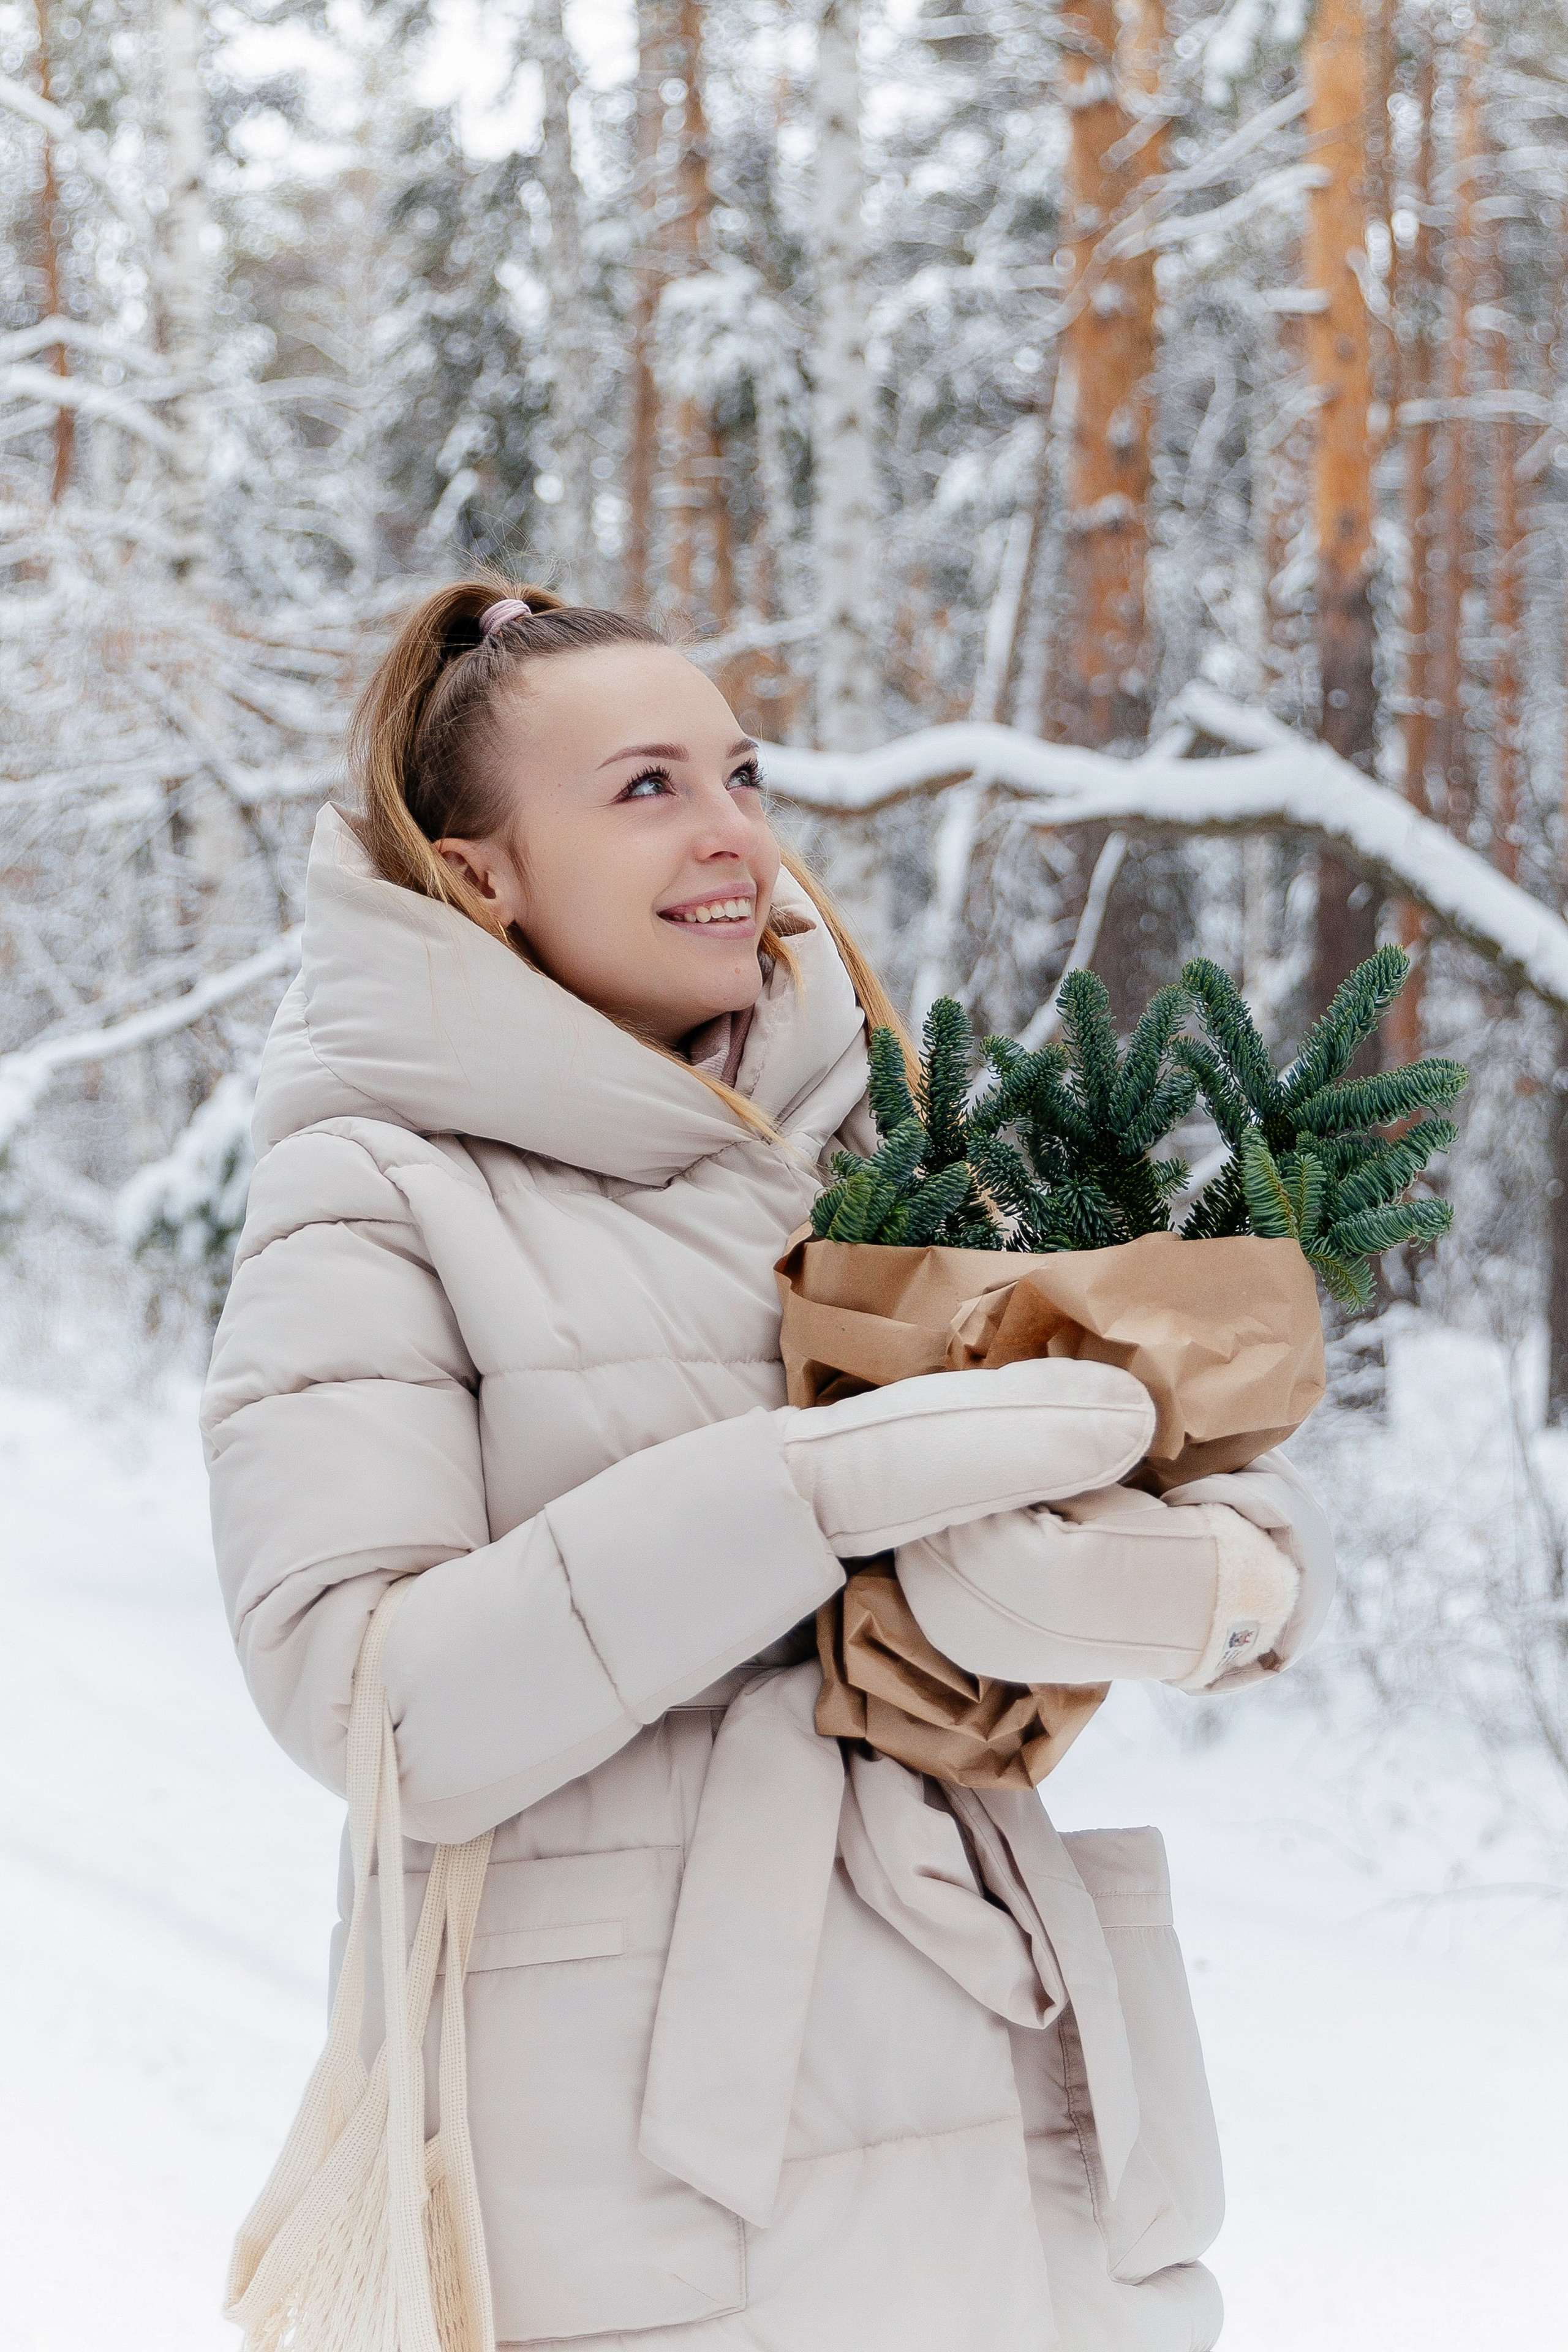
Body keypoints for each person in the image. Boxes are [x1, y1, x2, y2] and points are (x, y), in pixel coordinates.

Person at [203, 582, 1333, 2351]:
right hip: (641, 2166)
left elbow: (1176, 1426)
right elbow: (371, 1702)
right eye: (646, 788)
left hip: (993, 2079)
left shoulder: (877, 1128)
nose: (736, 837)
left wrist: (1221, 1573)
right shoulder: (374, 1183)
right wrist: (810, 1494)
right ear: (480, 869)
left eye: (741, 774)